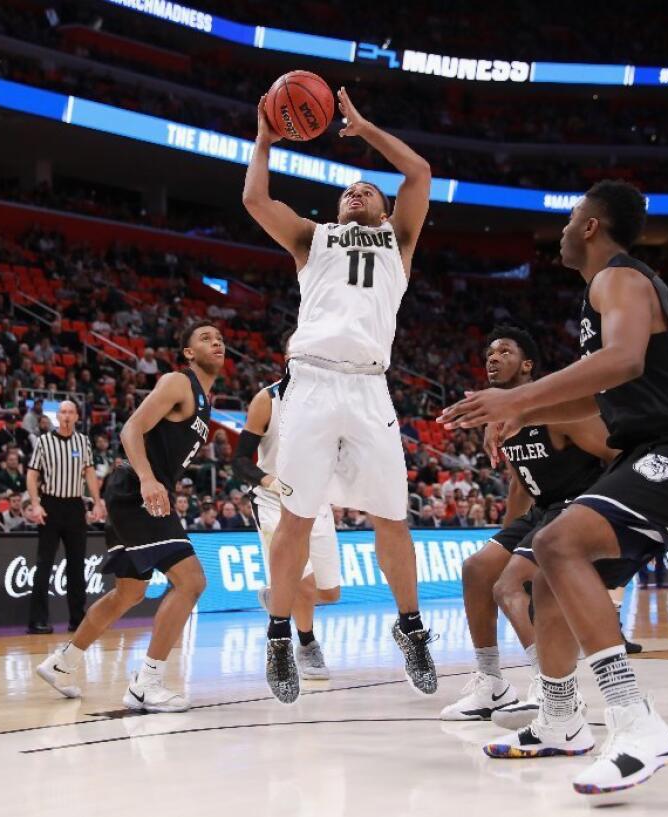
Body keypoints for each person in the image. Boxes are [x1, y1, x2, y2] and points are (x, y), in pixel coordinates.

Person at [441, 180, 668, 793]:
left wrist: (520, 396)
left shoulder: (618, 279)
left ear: (590, 226)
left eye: (570, 214)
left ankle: (637, 722)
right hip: (661, 449)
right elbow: (603, 391)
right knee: (552, 568)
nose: (561, 226)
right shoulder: (601, 294)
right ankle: (559, 720)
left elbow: (624, 361)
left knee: (559, 545)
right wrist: (524, 413)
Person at [243, 86, 437, 703]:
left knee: (393, 519)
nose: (357, 192)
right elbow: (253, 198)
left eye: (368, 191)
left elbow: (420, 171)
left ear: (383, 209)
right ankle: (279, 634)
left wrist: (362, 123)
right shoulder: (312, 238)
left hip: (369, 387)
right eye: (348, 190)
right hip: (312, 383)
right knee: (296, 518)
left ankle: (410, 626)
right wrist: (264, 140)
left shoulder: (400, 241)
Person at [35, 322, 220, 713]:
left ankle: (63, 663)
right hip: (137, 489)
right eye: (205, 337)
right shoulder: (177, 382)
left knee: (130, 592)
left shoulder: (208, 398)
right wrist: (150, 479)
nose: (216, 342)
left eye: (219, 338)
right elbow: (131, 428)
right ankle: (146, 683)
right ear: (187, 353)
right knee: (191, 582)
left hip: (136, 490)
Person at [439, 326, 619, 725]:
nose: (493, 357)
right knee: (477, 570)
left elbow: (615, 454)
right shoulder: (501, 421)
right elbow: (521, 481)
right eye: (489, 351)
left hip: (577, 507)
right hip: (541, 509)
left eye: (504, 351)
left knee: (508, 586)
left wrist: (605, 511)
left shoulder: (562, 409)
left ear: (527, 364)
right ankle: (492, 684)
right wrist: (503, 542)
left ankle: (553, 686)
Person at [234, 363, 342, 681]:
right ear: (290, 357)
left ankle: (279, 595)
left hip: (316, 503)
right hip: (274, 503)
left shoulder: (330, 402)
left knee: (330, 593)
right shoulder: (267, 400)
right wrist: (268, 480)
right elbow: (239, 459)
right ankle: (307, 644)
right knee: (304, 585)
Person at [24, 399, 106, 634]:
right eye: (63, 412)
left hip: (74, 506)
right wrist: (36, 504)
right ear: (57, 417)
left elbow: (90, 473)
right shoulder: (44, 441)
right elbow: (31, 475)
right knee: (44, 564)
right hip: (50, 504)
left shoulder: (83, 441)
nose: (67, 416)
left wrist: (97, 502)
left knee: (77, 565)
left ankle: (77, 619)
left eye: (71, 412)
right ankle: (37, 620)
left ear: (77, 417)